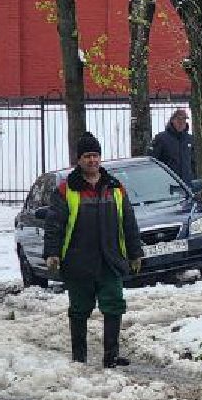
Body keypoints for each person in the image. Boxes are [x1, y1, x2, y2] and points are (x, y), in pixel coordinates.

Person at [45, 131, 144, 368]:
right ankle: (79, 358)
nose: (92, 160)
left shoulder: (115, 187)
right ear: (79, 160)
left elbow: (128, 222)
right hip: (78, 261)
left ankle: (111, 356)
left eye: (96, 155)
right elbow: (54, 224)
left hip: (110, 259)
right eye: (87, 156)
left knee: (114, 305)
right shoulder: (65, 190)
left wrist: (135, 252)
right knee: (79, 310)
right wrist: (52, 252)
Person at [149, 107, 196, 186]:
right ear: (172, 120)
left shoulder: (189, 139)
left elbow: (193, 162)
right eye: (178, 119)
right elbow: (153, 161)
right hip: (167, 184)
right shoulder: (161, 138)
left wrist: (192, 178)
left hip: (186, 185)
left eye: (184, 120)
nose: (181, 122)